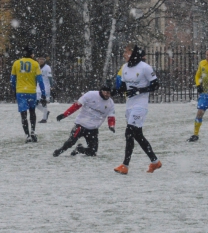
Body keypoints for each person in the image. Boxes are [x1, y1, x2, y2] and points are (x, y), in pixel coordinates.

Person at [113, 43, 161, 174]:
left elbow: (156, 85)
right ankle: (155, 162)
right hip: (129, 106)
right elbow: (123, 87)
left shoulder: (145, 67)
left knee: (129, 132)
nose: (124, 54)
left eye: (127, 51)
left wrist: (139, 91)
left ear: (134, 53)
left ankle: (125, 166)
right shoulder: (124, 68)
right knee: (138, 136)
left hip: (140, 106)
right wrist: (112, 91)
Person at [53, 85, 115, 157]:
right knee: (71, 141)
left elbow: (111, 116)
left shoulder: (110, 103)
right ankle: (59, 151)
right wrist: (64, 115)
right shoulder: (90, 95)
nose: (107, 95)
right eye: (106, 92)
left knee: (93, 152)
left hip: (93, 129)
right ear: (101, 91)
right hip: (81, 125)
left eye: (109, 93)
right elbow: (76, 105)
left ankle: (79, 149)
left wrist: (111, 126)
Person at [10, 46, 47, 143]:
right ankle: (33, 131)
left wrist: (14, 90)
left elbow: (12, 80)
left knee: (23, 114)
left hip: (20, 92)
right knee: (32, 112)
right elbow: (40, 80)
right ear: (31, 54)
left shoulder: (16, 63)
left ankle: (27, 135)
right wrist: (43, 93)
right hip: (31, 92)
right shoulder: (35, 64)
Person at [187, 50, 208, 142]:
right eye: (207, 54)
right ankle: (195, 134)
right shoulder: (202, 64)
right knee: (200, 112)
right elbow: (197, 75)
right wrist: (198, 85)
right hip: (205, 93)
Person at [36, 53, 53, 123]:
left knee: (44, 102)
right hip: (38, 87)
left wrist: (51, 86)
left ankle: (44, 118)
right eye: (40, 59)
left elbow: (50, 78)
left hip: (45, 87)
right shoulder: (36, 66)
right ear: (38, 60)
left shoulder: (47, 67)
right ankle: (45, 112)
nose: (41, 61)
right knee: (35, 102)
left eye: (43, 59)